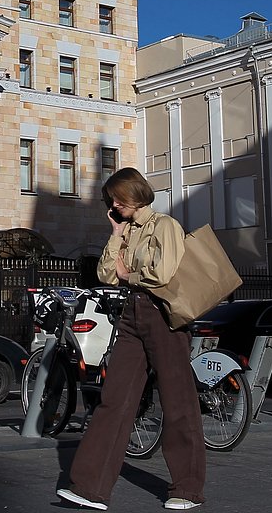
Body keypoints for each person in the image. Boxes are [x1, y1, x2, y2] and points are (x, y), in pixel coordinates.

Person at [57, 167, 206, 511]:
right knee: (115, 399)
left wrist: (130, 273)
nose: (112, 205)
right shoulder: (126, 230)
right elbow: (107, 274)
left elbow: (163, 272)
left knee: (177, 400)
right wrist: (116, 234)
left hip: (163, 317)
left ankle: (188, 488)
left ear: (129, 195)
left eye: (115, 200)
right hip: (132, 314)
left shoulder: (164, 225)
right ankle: (90, 488)